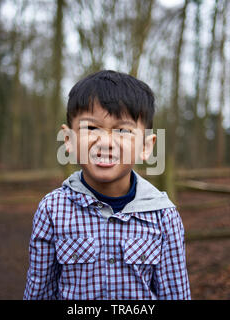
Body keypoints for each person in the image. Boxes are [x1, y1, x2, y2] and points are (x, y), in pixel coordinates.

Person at [23, 70, 191, 300]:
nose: (105, 142)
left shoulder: (164, 216)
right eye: (91, 128)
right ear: (68, 140)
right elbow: (39, 294)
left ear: (146, 146)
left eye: (123, 131)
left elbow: (176, 295)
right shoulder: (52, 210)